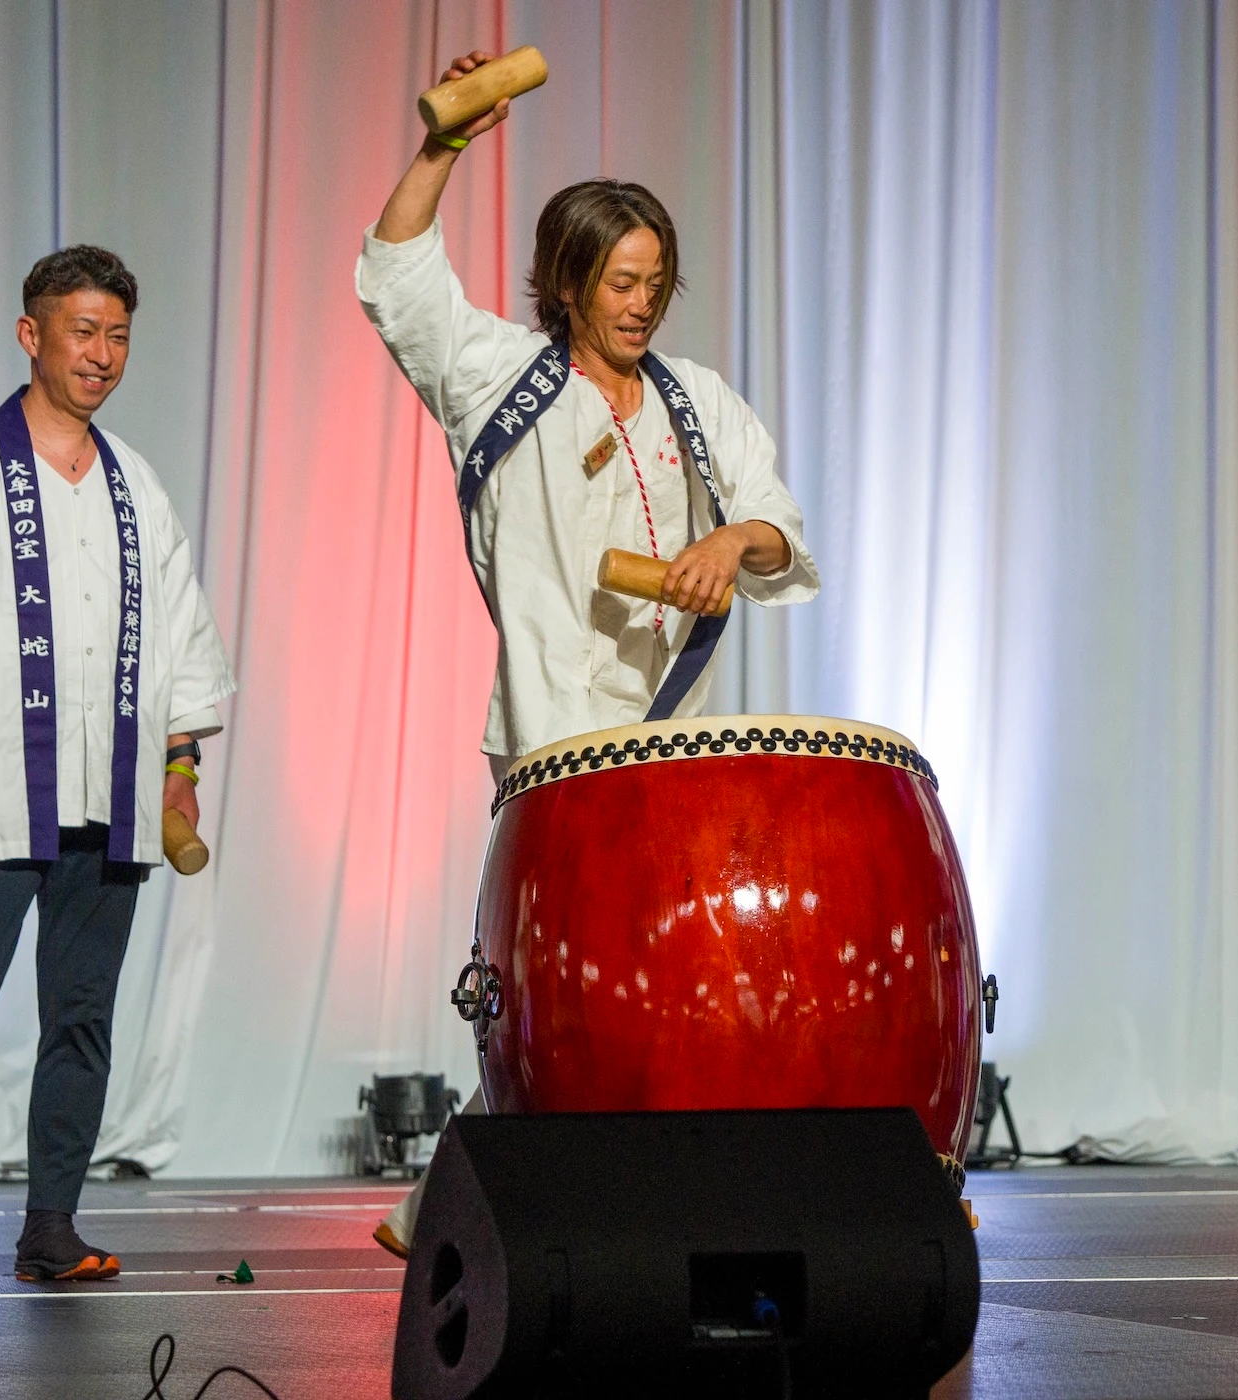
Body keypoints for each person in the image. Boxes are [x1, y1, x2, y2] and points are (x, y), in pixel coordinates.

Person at [357, 51, 818, 1256]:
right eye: (620, 280)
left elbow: (780, 527)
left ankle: (545, 1197)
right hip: (556, 739)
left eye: (657, 281)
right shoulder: (500, 377)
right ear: (566, 281)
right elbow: (399, 277)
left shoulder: (699, 400)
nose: (641, 303)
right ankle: (482, 1198)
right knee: (554, 991)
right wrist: (443, 146)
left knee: (659, 986)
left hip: (671, 746)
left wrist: (736, 537)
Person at [0, 246, 236, 1281]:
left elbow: (182, 639)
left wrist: (180, 764)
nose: (102, 355)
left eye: (118, 335)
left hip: (115, 798)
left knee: (84, 1020)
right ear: (32, 334)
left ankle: (50, 1224)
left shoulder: (135, 484)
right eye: (83, 331)